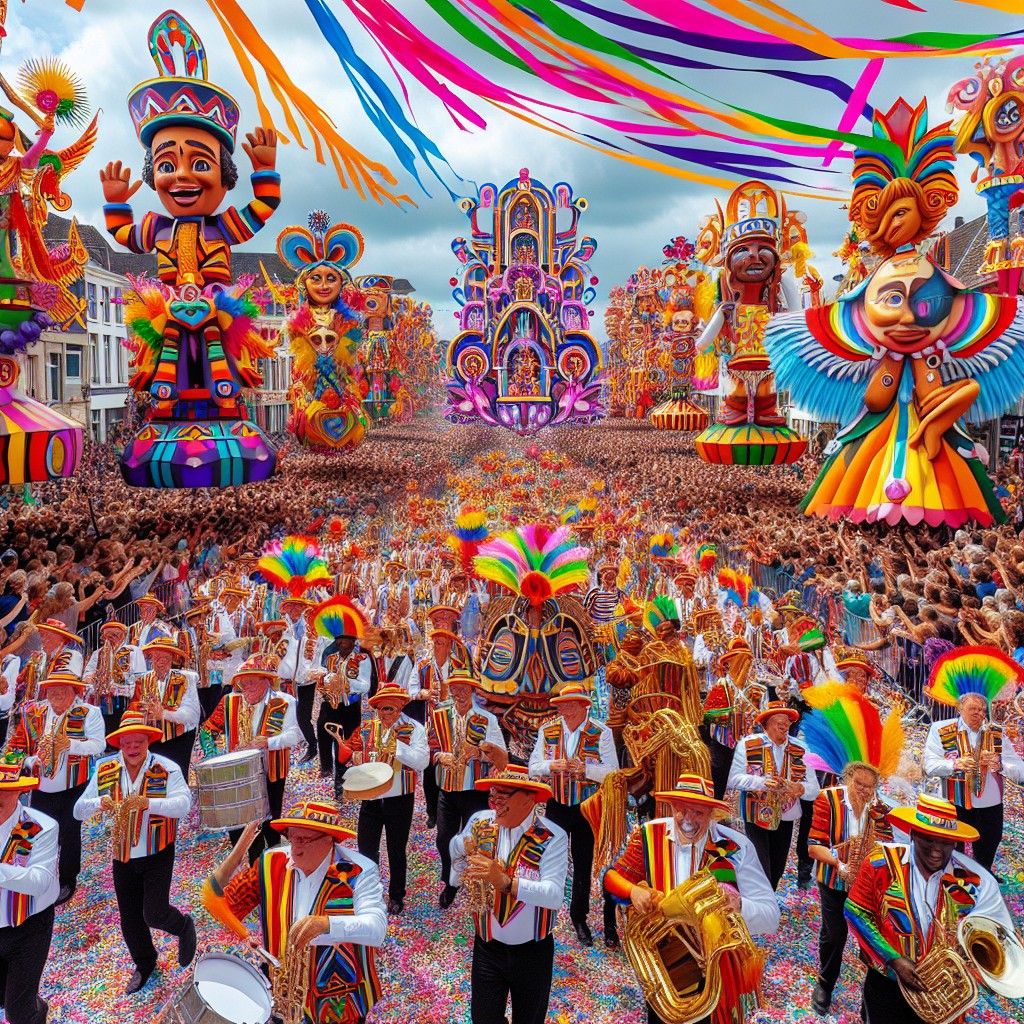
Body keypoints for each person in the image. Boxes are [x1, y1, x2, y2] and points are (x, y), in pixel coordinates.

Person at [603, 773, 780, 1024]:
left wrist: (738, 906)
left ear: (711, 813)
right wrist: (633, 891)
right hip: (666, 969)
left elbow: (771, 917)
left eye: (698, 813)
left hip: (720, 974)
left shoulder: (736, 848)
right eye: (681, 810)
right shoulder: (648, 835)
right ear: (672, 806)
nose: (687, 820)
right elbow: (610, 878)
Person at [204, 801, 387, 1024]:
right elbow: (219, 902)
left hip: (338, 1003)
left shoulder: (359, 871)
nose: (294, 847)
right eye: (291, 837)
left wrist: (328, 925)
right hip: (283, 997)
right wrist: (241, 848)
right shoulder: (272, 862)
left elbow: (376, 929)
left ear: (328, 839)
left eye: (303, 839)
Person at [845, 794, 1016, 1024]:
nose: (936, 849)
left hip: (945, 994)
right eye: (928, 839)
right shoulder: (880, 863)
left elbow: (1000, 938)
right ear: (913, 834)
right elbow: (855, 911)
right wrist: (893, 959)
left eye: (945, 842)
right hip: (887, 987)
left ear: (956, 842)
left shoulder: (977, 882)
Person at [73, 708, 195, 995]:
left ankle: (183, 926)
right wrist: (97, 803)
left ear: (148, 741)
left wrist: (149, 803)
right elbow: (78, 811)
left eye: (137, 742)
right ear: (118, 745)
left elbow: (184, 804)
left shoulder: (167, 768)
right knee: (130, 918)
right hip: (121, 852)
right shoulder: (105, 770)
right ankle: (145, 962)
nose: (131, 749)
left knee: (154, 913)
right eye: (126, 743)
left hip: (157, 850)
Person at [449, 766, 568, 1024]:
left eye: (502, 796)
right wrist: (461, 846)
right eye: (492, 795)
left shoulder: (553, 837)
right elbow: (455, 866)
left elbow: (554, 896)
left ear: (529, 798)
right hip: (488, 948)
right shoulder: (481, 821)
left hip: (533, 953)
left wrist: (506, 882)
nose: (494, 803)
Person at [528, 681, 616, 946]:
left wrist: (585, 770)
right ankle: (542, 907)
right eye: (560, 705)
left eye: (568, 705)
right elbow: (533, 766)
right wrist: (551, 765)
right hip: (556, 803)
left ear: (582, 705)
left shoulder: (601, 732)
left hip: (587, 807)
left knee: (583, 861)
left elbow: (613, 771)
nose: (563, 709)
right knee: (545, 855)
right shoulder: (548, 729)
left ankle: (579, 917)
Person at [6, 670, 105, 906]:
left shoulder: (90, 713)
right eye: (52, 691)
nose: (57, 696)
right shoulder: (33, 713)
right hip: (40, 788)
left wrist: (68, 744)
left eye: (63, 691)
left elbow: (99, 744)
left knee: (69, 834)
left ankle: (67, 880)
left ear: (75, 692)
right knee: (34, 832)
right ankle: (32, 877)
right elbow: (16, 747)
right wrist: (30, 762)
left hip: (74, 786)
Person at [806, 761, 894, 1016]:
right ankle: (825, 983)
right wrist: (839, 861)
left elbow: (887, 846)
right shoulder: (827, 799)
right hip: (834, 879)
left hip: (866, 887)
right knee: (834, 936)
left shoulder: (881, 807)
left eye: (870, 787)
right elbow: (813, 846)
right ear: (847, 778)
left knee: (873, 939)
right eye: (859, 784)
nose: (864, 792)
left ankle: (874, 998)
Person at [200, 653, 302, 863]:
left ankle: (275, 864)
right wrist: (215, 759)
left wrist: (268, 742)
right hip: (239, 774)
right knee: (241, 825)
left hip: (272, 770)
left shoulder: (284, 702)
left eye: (251, 683)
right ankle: (250, 867)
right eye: (242, 683)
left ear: (266, 681)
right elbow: (207, 730)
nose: (246, 688)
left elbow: (294, 735)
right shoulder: (230, 702)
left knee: (271, 822)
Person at [431, 667, 508, 909]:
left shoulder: (488, 719)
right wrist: (439, 757)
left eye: (465, 688)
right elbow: (428, 749)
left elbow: (502, 757)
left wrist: (479, 753)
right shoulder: (439, 715)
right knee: (443, 839)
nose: (460, 692)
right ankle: (451, 882)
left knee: (475, 840)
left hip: (475, 790)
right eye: (456, 687)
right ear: (450, 689)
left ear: (473, 690)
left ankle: (479, 884)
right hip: (446, 789)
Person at [922, 690, 1024, 872]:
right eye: (973, 709)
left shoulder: (997, 734)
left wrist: (1000, 765)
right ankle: (951, 878)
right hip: (953, 801)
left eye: (983, 710)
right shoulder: (941, 729)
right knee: (951, 847)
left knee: (988, 845)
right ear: (960, 708)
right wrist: (955, 764)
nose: (979, 714)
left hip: (989, 803)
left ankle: (983, 877)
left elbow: (1020, 769)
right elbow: (930, 765)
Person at [352, 682, 429, 915]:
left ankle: (396, 896)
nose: (385, 714)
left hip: (399, 798)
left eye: (389, 709)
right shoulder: (368, 727)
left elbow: (423, 762)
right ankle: (370, 894)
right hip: (371, 798)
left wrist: (396, 747)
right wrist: (354, 756)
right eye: (381, 709)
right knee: (366, 850)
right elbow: (352, 749)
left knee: (396, 851)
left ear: (400, 707)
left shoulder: (414, 729)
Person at [728, 700, 820, 891]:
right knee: (761, 868)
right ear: (765, 724)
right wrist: (761, 782)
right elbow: (734, 779)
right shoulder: (748, 744)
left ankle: (765, 904)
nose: (783, 724)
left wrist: (800, 789)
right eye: (778, 719)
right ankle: (760, 907)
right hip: (755, 816)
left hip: (786, 818)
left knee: (777, 870)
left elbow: (814, 789)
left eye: (787, 720)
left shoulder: (801, 749)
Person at [0, 767, 59, 1024]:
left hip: (29, 927)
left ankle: (34, 1011)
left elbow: (40, 882)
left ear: (19, 791)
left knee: (19, 1013)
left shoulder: (41, 827)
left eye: (4, 790)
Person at [130, 636, 201, 780]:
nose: (160, 662)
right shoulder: (142, 681)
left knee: (177, 780)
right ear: (151, 659)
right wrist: (142, 715)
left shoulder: (184, 679)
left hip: (178, 740)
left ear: (173, 659)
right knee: (153, 781)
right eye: (156, 657)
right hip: (150, 740)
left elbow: (193, 714)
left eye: (165, 658)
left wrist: (164, 714)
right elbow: (132, 709)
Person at [83, 619, 134, 738]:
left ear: (122, 636)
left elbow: (136, 675)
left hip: (122, 695)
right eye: (106, 636)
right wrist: (90, 677)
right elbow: (87, 673)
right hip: (101, 695)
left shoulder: (130, 651)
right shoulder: (98, 653)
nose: (109, 639)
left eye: (113, 635)